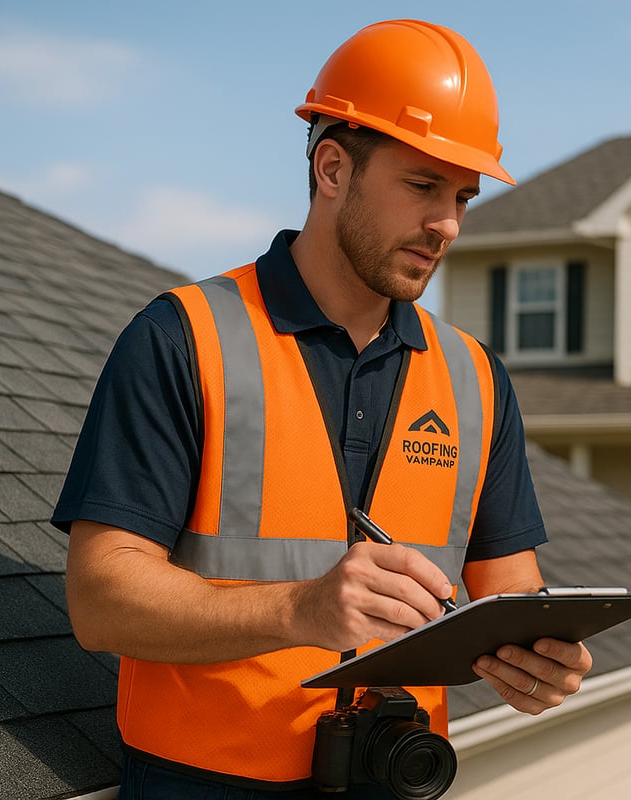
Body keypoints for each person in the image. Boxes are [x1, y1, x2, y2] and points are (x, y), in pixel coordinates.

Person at [53, 19, 592, 798]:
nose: (447, 223)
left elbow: (512, 590)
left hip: (397, 773)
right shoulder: (183, 339)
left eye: (463, 196)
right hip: (202, 782)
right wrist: (303, 608)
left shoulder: (475, 377)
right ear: (333, 167)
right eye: (422, 186)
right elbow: (100, 599)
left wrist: (538, 657)